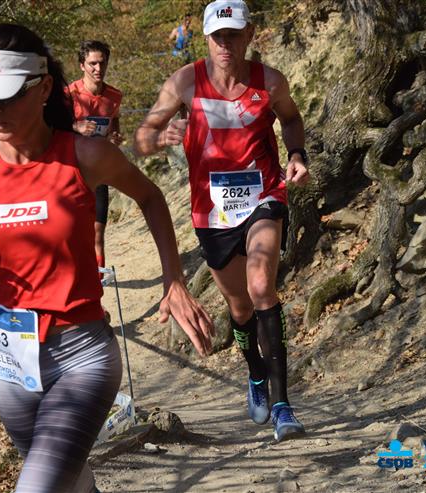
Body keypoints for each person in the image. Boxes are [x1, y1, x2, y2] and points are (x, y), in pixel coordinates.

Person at [0, 23, 214, 493]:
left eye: (6, 97)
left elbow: (150, 196)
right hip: (7, 361)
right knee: (69, 480)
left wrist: (175, 282)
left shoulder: (85, 155)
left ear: (43, 88)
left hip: (81, 356)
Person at [134, 0, 310, 442]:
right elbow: (141, 138)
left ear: (249, 34)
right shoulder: (185, 82)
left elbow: (291, 118)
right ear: (206, 38)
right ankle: (255, 373)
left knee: (261, 287)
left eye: (233, 34)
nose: (225, 44)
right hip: (212, 210)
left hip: (264, 194)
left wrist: (296, 154)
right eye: (217, 36)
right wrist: (161, 136)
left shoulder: (270, 81)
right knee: (240, 307)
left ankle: (283, 405)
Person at [66, 40, 123, 275]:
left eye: (102, 63)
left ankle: (98, 285)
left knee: (98, 232)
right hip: (70, 171)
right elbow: (49, 127)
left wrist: (114, 136)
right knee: (71, 231)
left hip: (98, 171)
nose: (98, 69)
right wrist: (76, 126)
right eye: (92, 64)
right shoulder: (69, 94)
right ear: (82, 65)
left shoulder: (114, 96)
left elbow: (114, 120)